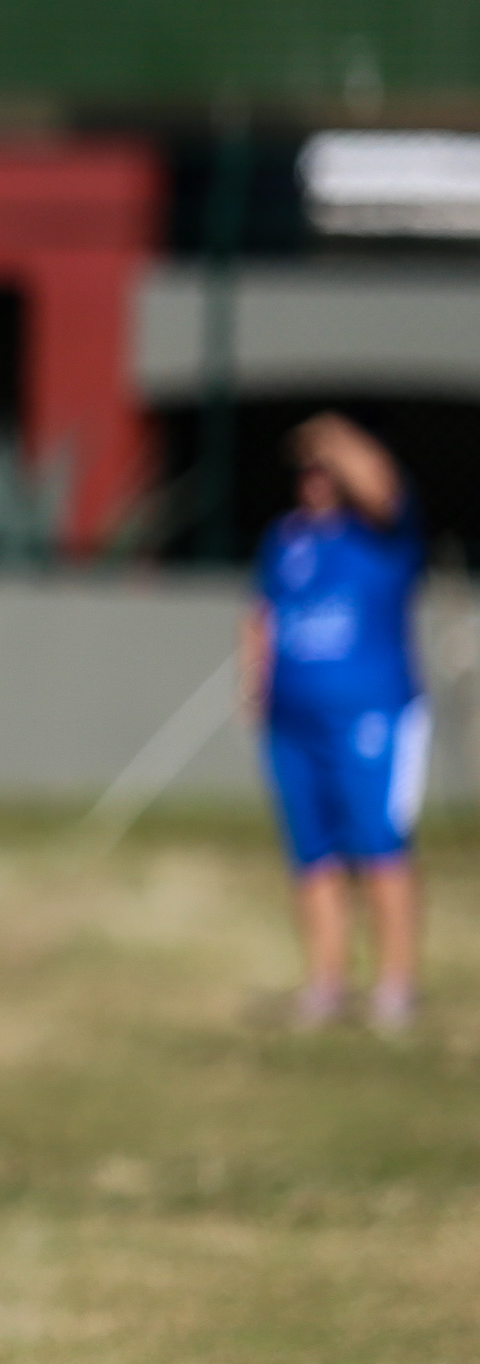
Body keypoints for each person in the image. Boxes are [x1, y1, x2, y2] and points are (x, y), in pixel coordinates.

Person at [243, 414, 430, 1031]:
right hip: (294, 721)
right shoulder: (287, 540)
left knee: (380, 846)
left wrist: (332, 436)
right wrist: (256, 685)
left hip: (372, 713)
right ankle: (328, 981)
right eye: (309, 469)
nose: (317, 478)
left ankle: (396, 985)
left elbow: (379, 482)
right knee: (313, 853)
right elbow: (262, 613)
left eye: (328, 469)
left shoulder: (381, 533)